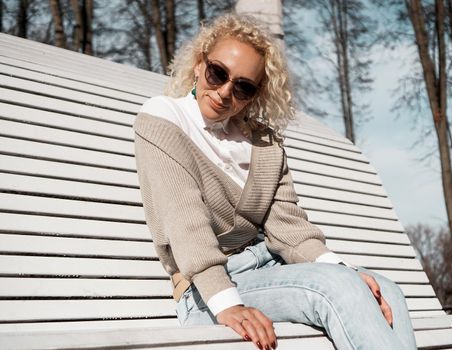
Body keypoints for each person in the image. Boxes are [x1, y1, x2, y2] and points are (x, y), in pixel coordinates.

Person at [133, 13, 417, 350]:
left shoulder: (263, 144)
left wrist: (345, 269)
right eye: (217, 73)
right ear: (199, 64)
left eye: (242, 87)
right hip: (206, 292)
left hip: (270, 268)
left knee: (385, 288)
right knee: (339, 288)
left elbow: (289, 229)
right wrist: (228, 303)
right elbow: (185, 223)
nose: (225, 92)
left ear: (254, 95)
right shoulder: (164, 117)